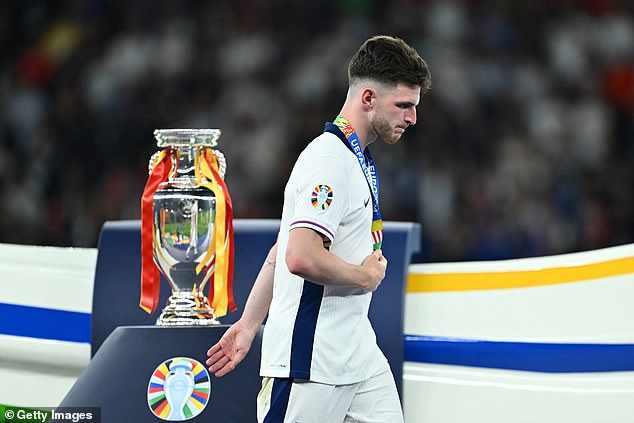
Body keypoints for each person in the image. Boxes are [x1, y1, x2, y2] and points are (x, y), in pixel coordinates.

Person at [206, 35, 431, 423]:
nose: (412, 118)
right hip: (309, 361)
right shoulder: (328, 161)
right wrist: (364, 276)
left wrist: (247, 325)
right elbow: (299, 256)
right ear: (368, 99)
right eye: (404, 106)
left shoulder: (354, 158)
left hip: (357, 353)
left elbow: (279, 251)